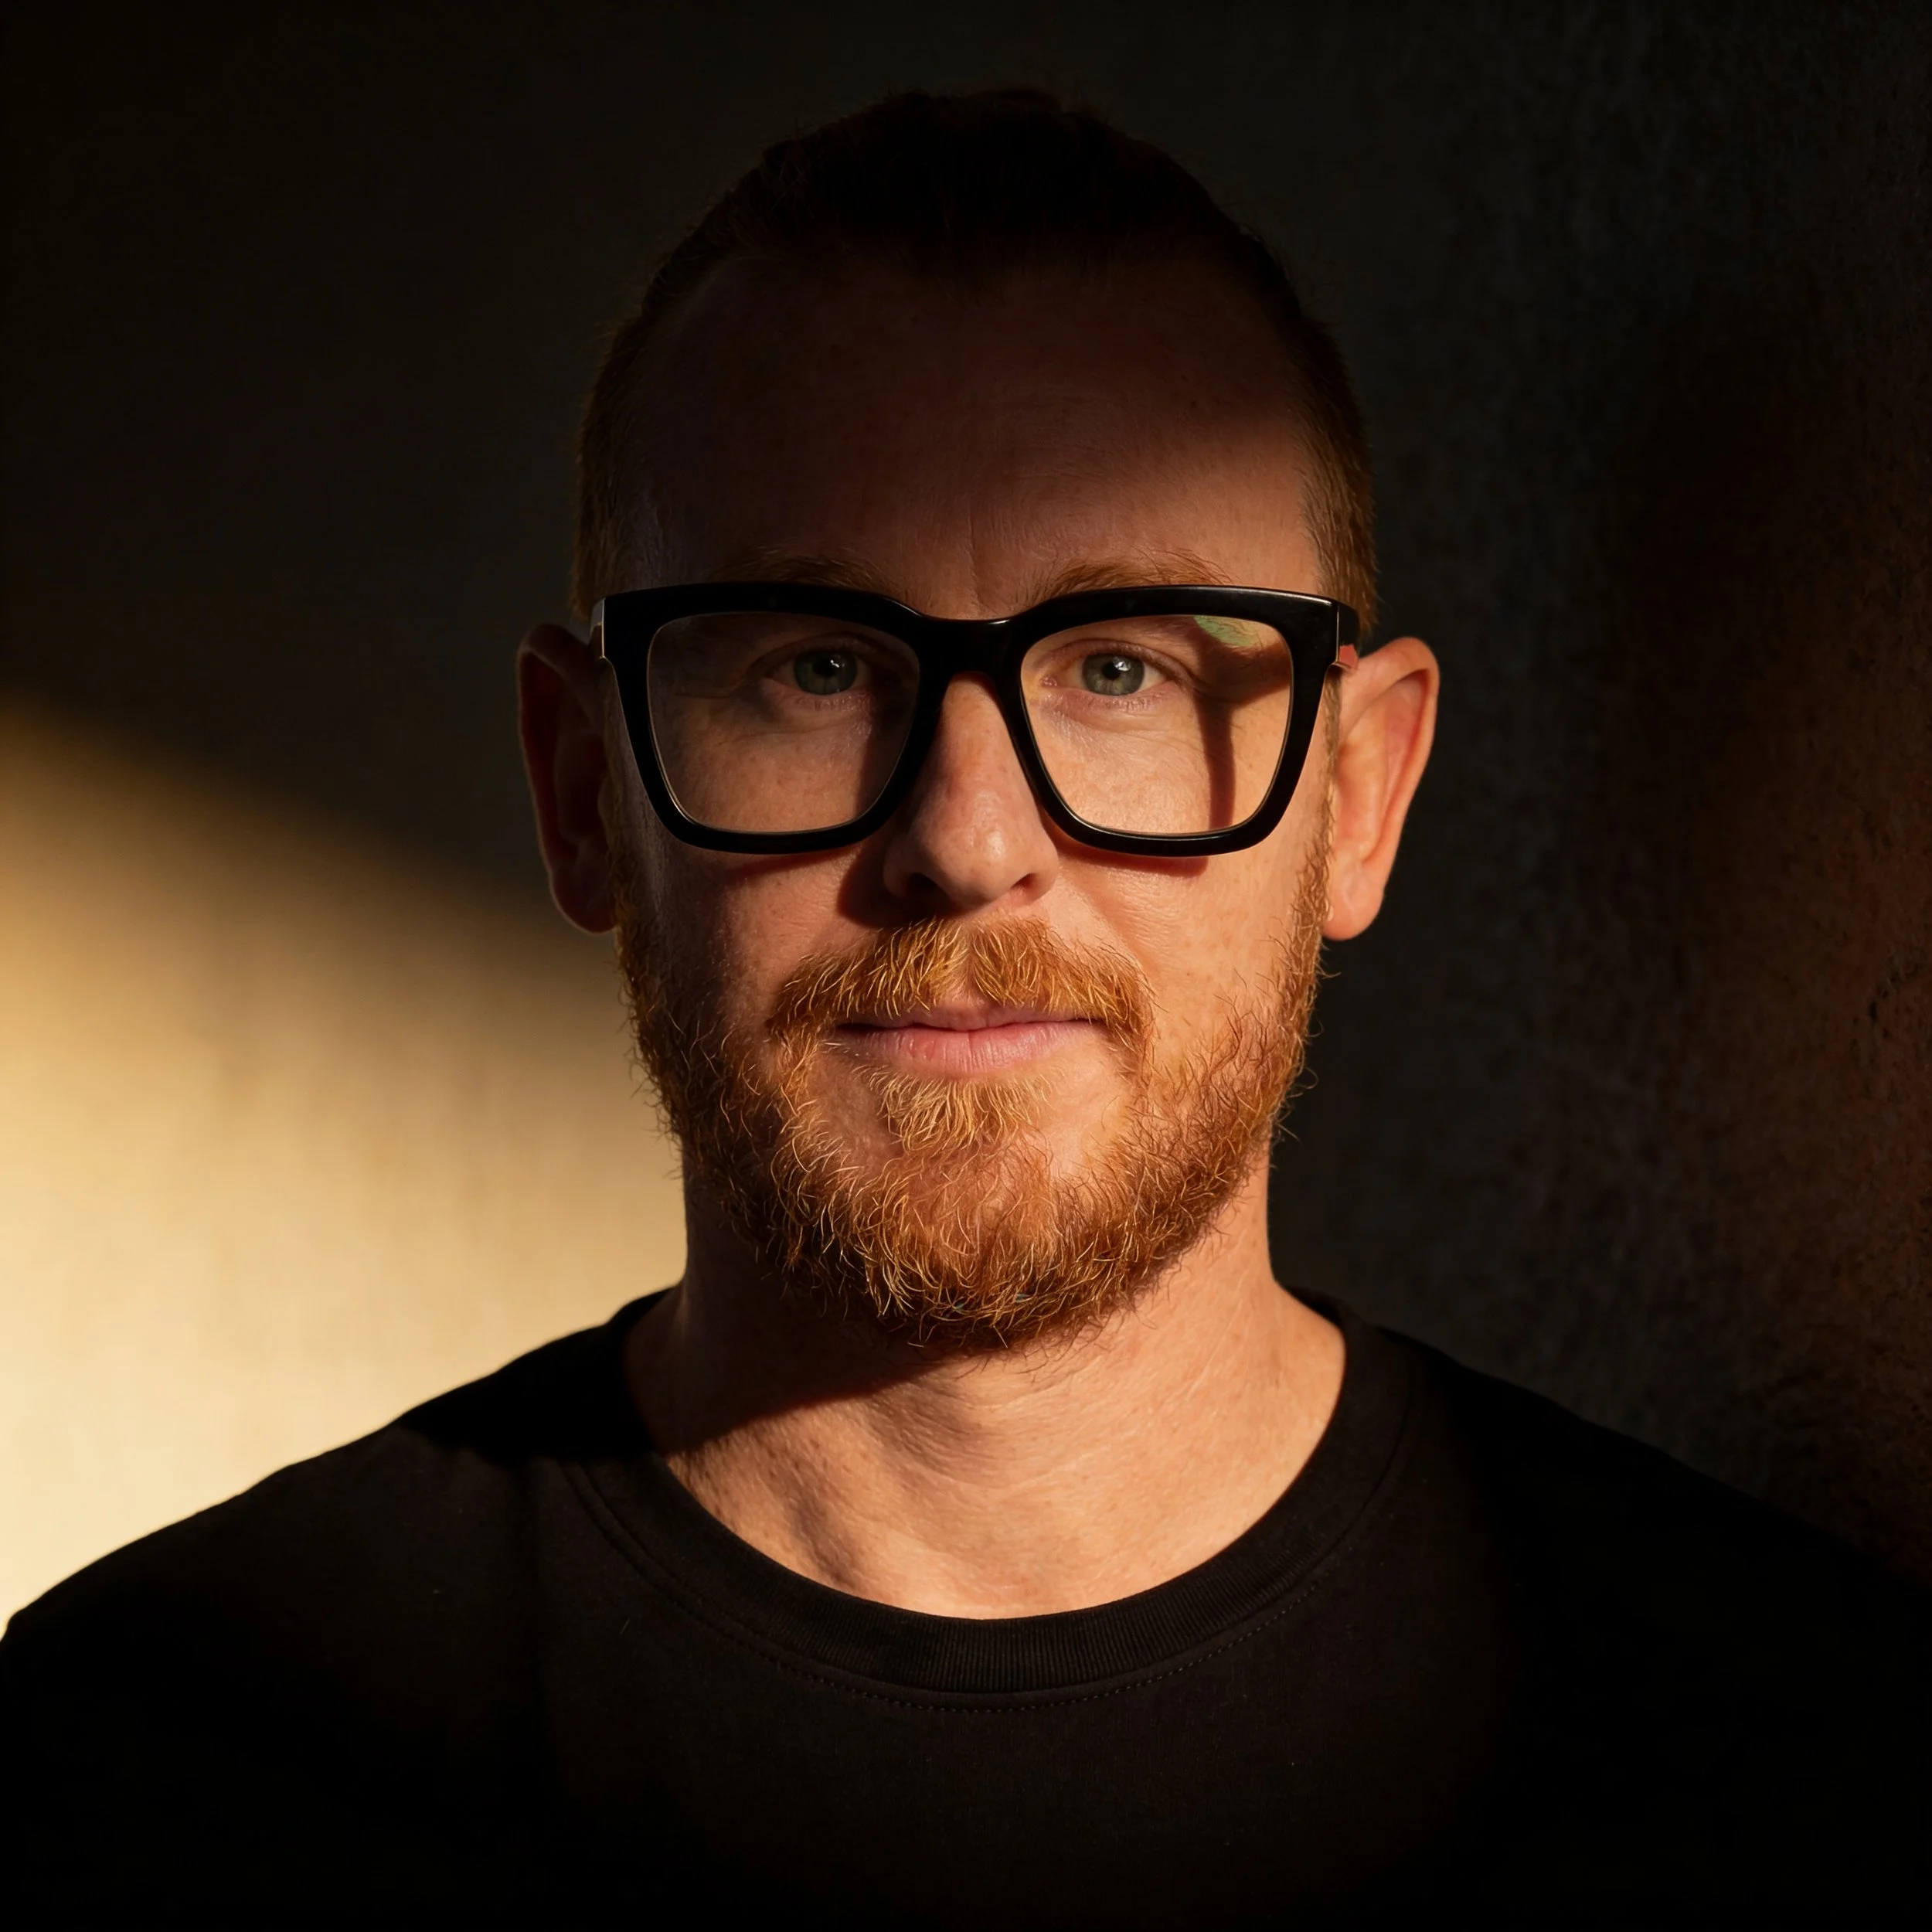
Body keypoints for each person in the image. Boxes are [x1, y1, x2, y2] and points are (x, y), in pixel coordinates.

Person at [3, 89, 1926, 1926]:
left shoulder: (1816, 1775)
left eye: (1115, 666)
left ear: (1355, 797)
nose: (965, 834)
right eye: (816, 667)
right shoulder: (159, 1764)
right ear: (583, 791)